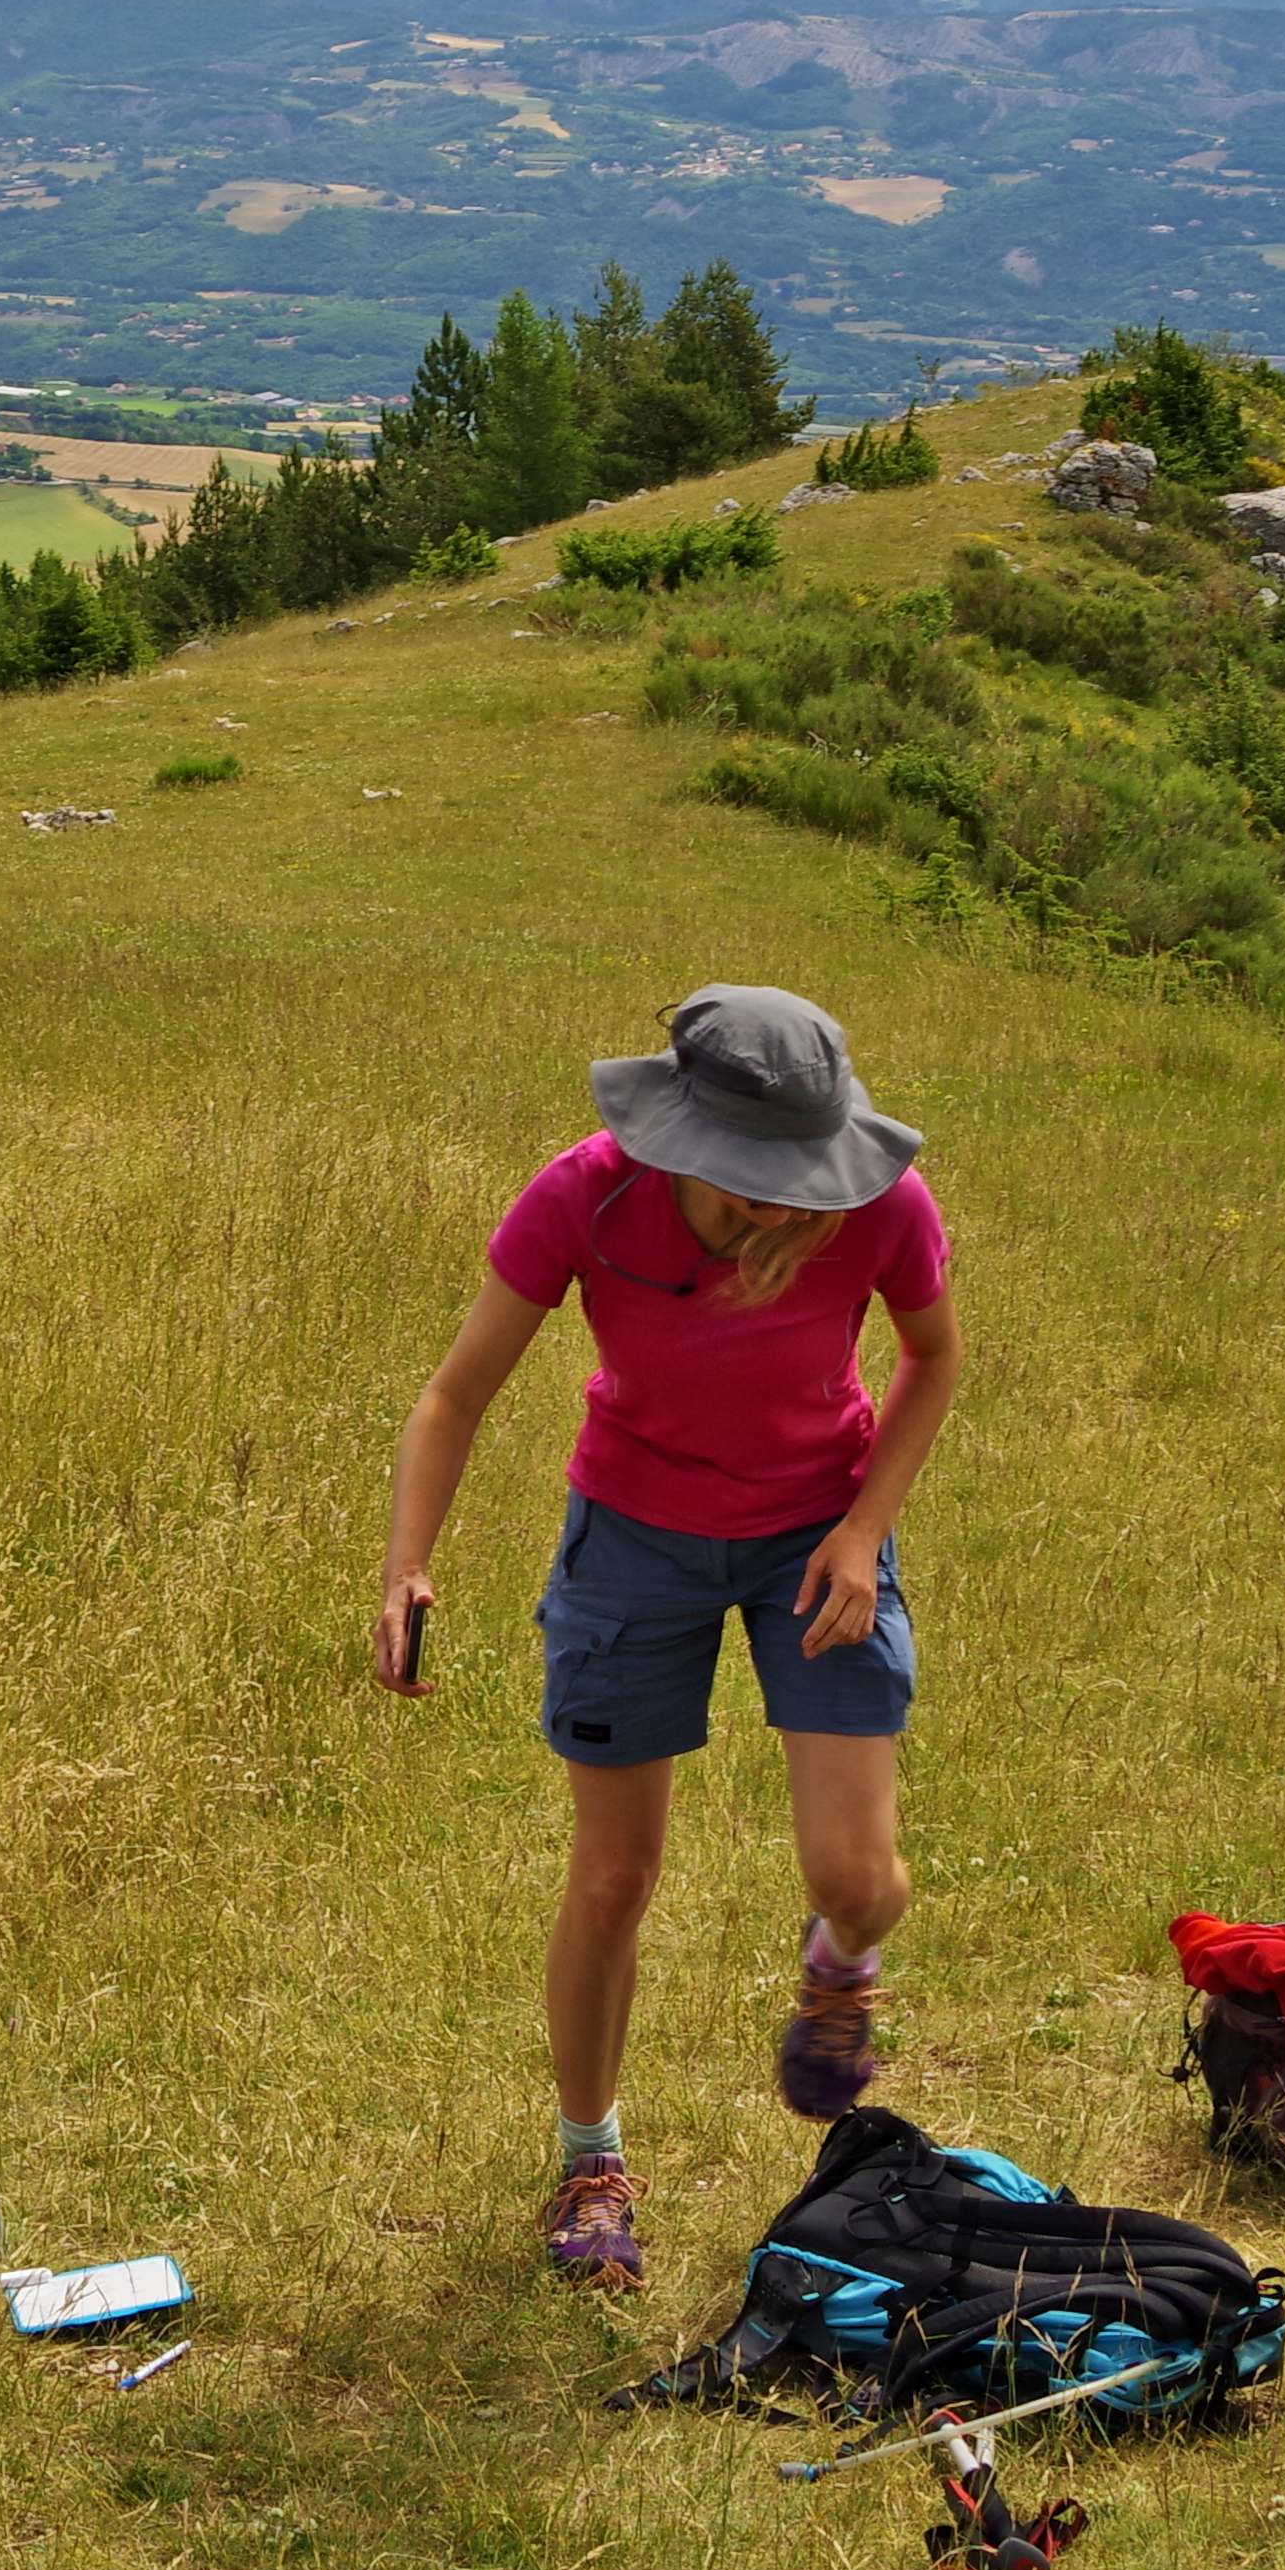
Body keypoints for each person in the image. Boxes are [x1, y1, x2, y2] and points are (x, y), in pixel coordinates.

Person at [379, 980, 970, 2291]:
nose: (784, 1206)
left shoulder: (876, 1206)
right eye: (757, 1180)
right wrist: (408, 1563)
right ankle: (592, 2163)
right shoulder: (585, 1197)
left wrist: (866, 1530)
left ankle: (839, 1969)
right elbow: (455, 1392)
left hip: (814, 1529)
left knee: (858, 1878)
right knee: (611, 1875)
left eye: (799, 1176)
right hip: (633, 1537)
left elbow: (933, 1360)